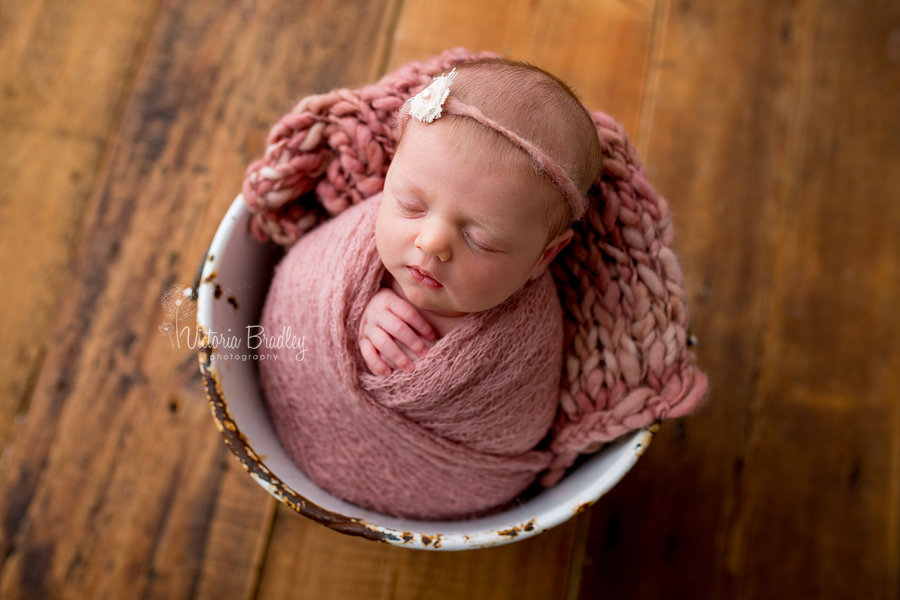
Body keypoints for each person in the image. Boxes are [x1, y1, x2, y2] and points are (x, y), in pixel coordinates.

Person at [357, 58, 603, 377]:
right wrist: (358, 310)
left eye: (480, 241)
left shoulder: (520, 347)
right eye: (410, 205)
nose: (431, 243)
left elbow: (514, 423)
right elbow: (311, 280)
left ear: (545, 255)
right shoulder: (356, 245)